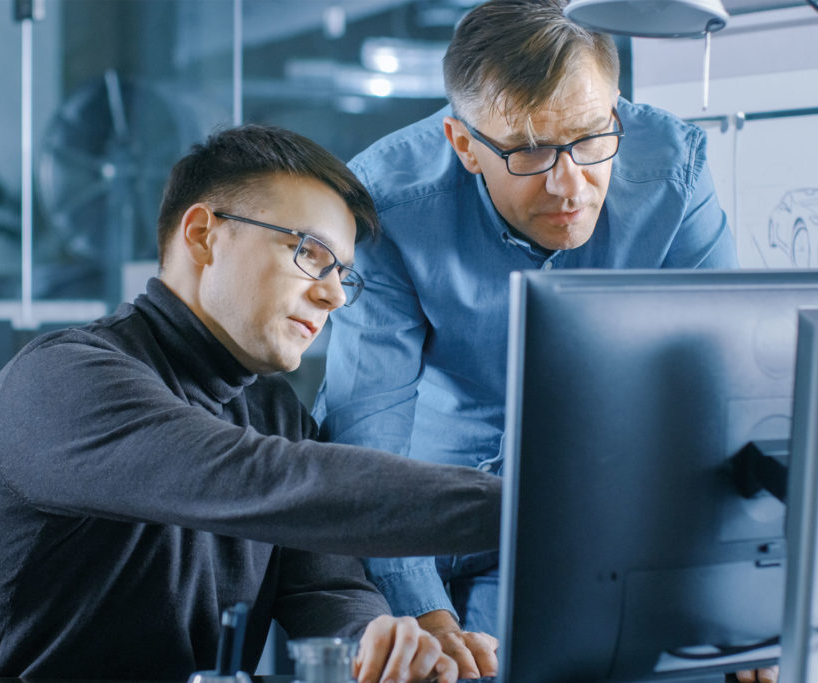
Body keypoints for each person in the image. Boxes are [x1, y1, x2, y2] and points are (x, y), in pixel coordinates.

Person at [0, 123, 504, 683]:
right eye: (309, 252)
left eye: (343, 275)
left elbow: (324, 585)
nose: (332, 293)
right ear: (203, 234)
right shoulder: (63, 381)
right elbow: (272, 481)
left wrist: (374, 645)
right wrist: (530, 508)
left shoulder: (275, 412)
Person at [315, 1, 777, 682]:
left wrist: (737, 591)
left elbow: (726, 392)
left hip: (573, 519)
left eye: (591, 138)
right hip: (410, 519)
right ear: (464, 143)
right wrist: (424, 614)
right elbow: (367, 438)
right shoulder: (387, 202)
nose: (570, 184)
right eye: (530, 150)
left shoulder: (673, 173)